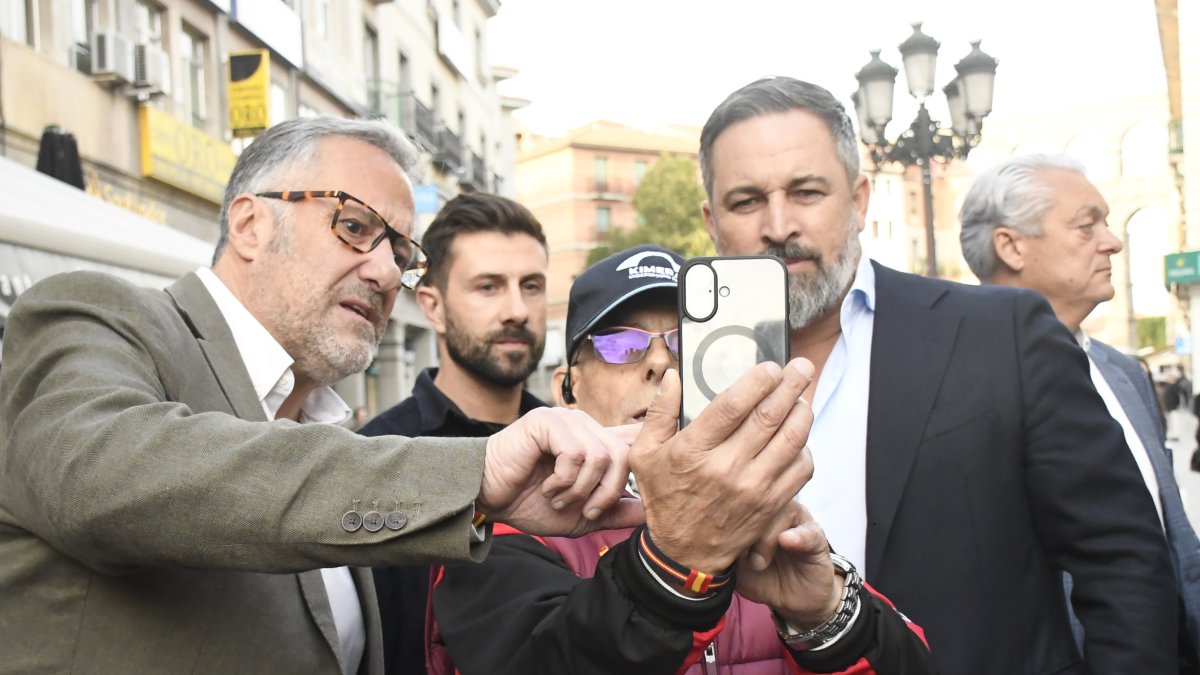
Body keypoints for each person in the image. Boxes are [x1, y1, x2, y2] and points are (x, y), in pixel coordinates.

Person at [0, 117, 643, 674]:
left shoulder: (328, 435)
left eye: (399, 251)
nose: (388, 271)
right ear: (250, 224)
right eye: (356, 226)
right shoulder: (96, 314)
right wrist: (472, 476)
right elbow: (105, 475)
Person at [695, 77, 1175, 675]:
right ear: (712, 220)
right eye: (746, 202)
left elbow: (1123, 560)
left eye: (807, 191)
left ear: (861, 198)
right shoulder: (682, 382)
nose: (778, 223)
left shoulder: (1000, 335)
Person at [431, 245, 934, 674]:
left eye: (682, 341)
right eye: (620, 344)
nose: (657, 362)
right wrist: (676, 564)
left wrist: (825, 616)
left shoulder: (771, 521)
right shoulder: (499, 529)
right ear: (567, 388)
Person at [959, 153, 1200, 670]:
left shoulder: (1125, 373)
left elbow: (1168, 537)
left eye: (1108, 223)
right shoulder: (953, 386)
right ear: (1011, 246)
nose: (1112, 241)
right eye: (1086, 225)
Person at [359, 191, 551, 675]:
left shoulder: (572, 450)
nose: (517, 310)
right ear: (434, 307)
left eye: (531, 286)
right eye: (488, 287)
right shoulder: (376, 456)